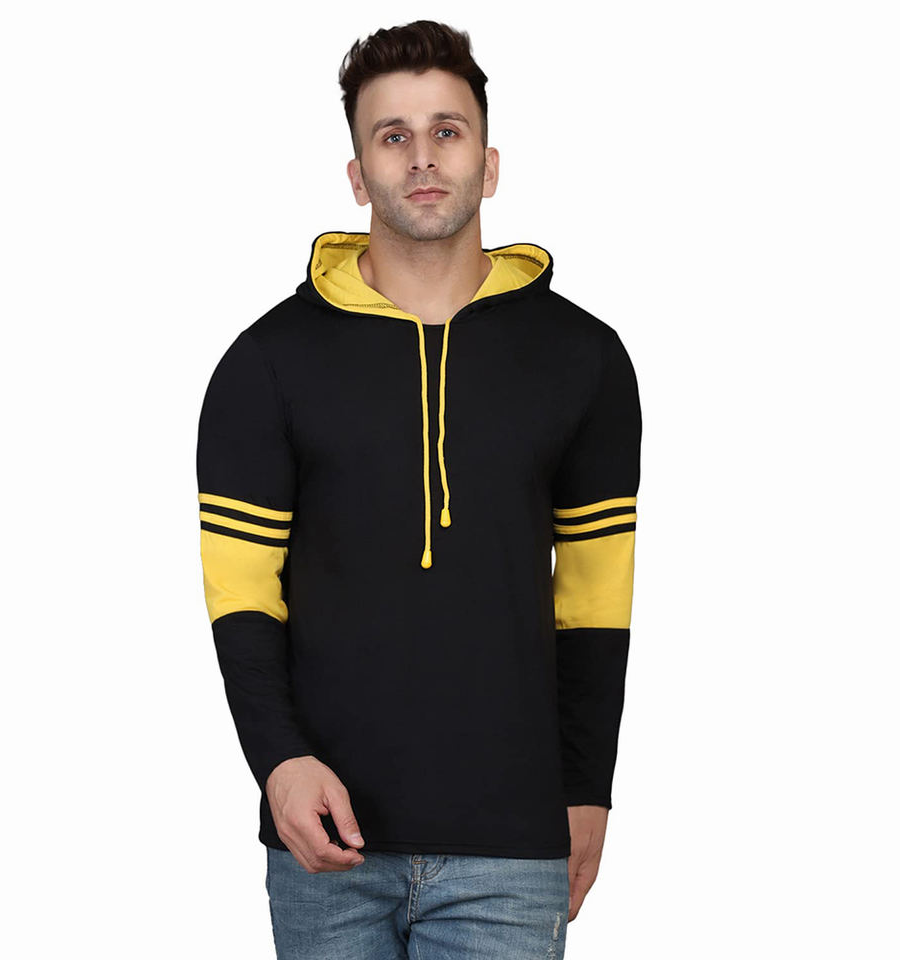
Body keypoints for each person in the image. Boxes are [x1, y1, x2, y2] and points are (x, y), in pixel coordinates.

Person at [196, 19, 642, 960]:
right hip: (327, 844)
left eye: (447, 130)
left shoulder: (584, 360)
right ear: (358, 174)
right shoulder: (266, 363)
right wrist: (278, 763)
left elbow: (595, 603)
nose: (423, 156)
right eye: (392, 135)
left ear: (490, 162)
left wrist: (587, 787)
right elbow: (242, 597)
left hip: (512, 846)